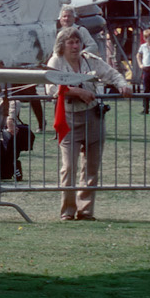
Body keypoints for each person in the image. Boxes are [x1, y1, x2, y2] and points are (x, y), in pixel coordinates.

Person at [49, 29, 131, 220]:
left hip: (93, 117)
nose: (75, 46)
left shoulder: (89, 59)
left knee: (91, 167)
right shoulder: (56, 61)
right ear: (62, 45)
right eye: (70, 42)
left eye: (77, 42)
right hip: (69, 119)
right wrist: (78, 92)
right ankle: (67, 211)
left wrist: (123, 85)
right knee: (68, 167)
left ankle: (85, 211)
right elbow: (52, 87)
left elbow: (111, 73)